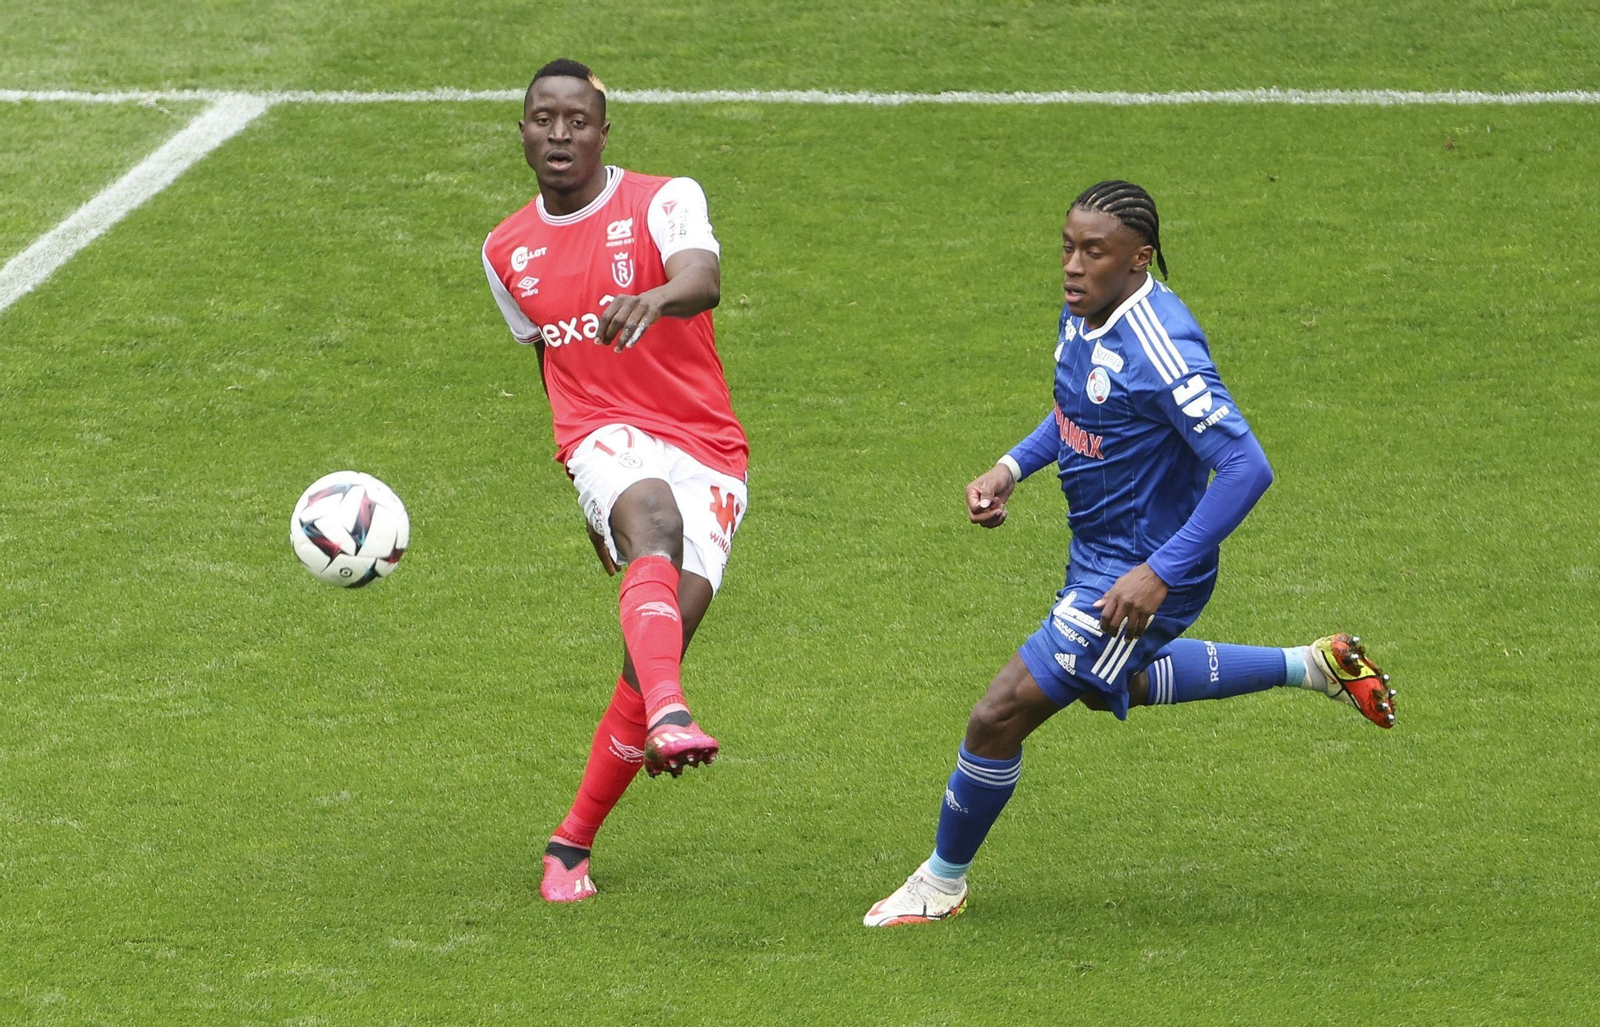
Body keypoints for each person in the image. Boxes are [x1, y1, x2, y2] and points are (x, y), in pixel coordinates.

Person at [863, 181, 1396, 927]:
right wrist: (1010, 467)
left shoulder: (1163, 346)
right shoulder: (1085, 311)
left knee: (997, 714)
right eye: (1067, 246)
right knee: (1108, 682)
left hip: (1144, 572)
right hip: (1102, 557)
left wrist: (1159, 572)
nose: (1072, 266)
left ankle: (940, 883)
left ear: (1139, 258)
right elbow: (1076, 408)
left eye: (1094, 251)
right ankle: (1312, 665)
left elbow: (1247, 468)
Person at [481, 59, 748, 903]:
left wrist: (657, 299)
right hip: (601, 431)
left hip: (705, 441)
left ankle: (570, 843)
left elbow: (703, 277)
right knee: (652, 523)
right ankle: (673, 712)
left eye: (576, 121)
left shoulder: (666, 197)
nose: (559, 135)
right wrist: (583, 483)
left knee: (658, 636)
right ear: (522, 129)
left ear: (603, 132)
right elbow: (547, 360)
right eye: (542, 119)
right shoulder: (503, 250)